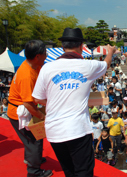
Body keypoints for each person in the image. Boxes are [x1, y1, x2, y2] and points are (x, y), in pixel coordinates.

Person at [32, 28, 116, 177]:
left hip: (54, 130)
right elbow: (106, 64)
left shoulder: (47, 68)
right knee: (84, 170)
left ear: (63, 46)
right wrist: (110, 52)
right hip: (77, 129)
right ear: (81, 46)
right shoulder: (88, 66)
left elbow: (37, 98)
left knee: (68, 169)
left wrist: (54, 103)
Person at [7, 40, 52, 177]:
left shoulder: (34, 65)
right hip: (20, 113)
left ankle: (33, 159)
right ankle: (34, 171)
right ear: (38, 56)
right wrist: (43, 117)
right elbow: (28, 104)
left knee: (30, 140)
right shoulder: (26, 75)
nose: (47, 55)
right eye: (45, 53)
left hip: (26, 108)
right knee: (35, 141)